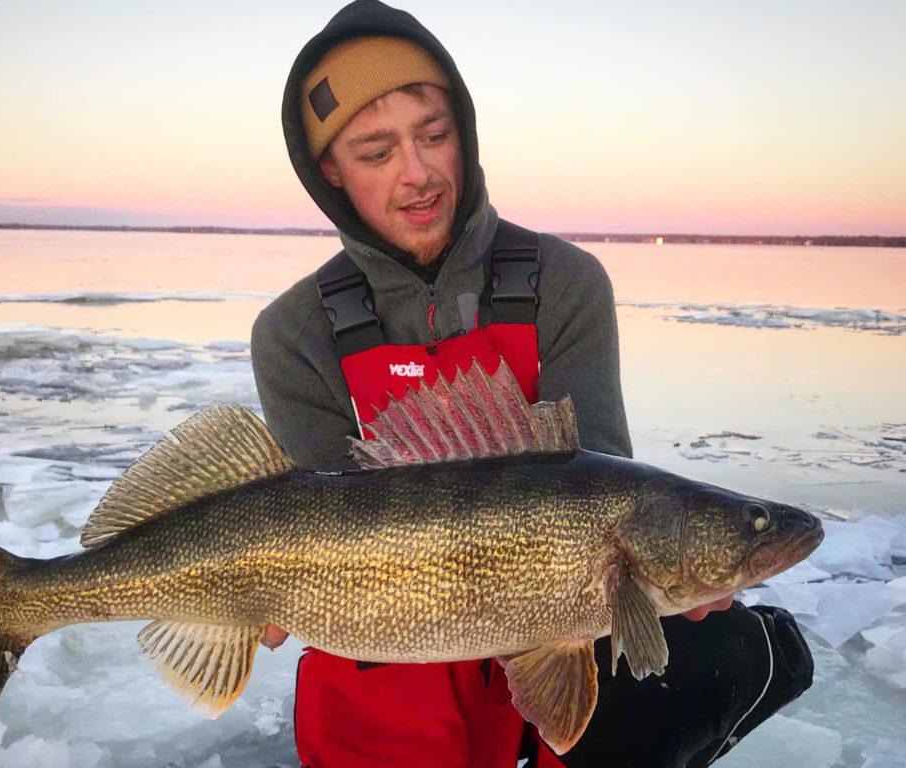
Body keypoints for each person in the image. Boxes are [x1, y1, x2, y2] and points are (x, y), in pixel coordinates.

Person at [250, 2, 814, 766]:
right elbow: (311, 526)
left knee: (718, 650)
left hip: (562, 623)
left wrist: (677, 581)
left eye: (435, 135)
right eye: (376, 152)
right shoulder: (294, 333)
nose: (417, 173)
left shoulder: (564, 283)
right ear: (331, 172)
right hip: (391, 654)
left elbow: (604, 480)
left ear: (466, 133)